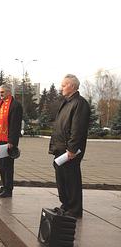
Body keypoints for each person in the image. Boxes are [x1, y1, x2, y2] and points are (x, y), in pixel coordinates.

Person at [49, 74, 90, 218]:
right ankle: (65, 205)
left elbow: (77, 129)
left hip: (69, 151)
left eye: (64, 85)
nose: (62, 87)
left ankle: (74, 209)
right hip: (60, 149)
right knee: (62, 180)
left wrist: (72, 149)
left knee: (71, 180)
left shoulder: (80, 103)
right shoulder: (66, 102)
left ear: (72, 86)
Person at [0, 85, 23, 198]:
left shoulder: (15, 105)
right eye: (0, 92)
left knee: (8, 165)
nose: (0, 94)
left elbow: (15, 125)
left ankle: (8, 189)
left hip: (8, 141)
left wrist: (12, 141)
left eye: (3, 92)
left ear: (9, 92)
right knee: (1, 164)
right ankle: (4, 185)